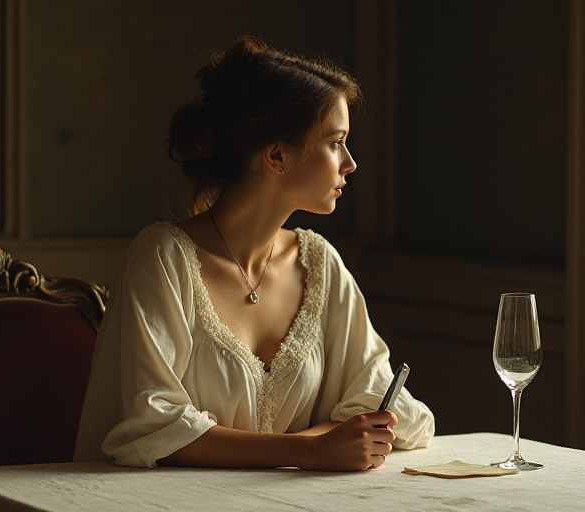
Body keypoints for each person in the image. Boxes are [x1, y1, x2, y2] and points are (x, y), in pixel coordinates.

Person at [74, 36, 434, 471]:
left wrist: (324, 445)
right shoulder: (164, 258)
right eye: (336, 142)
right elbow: (153, 425)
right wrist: (308, 451)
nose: (350, 163)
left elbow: (381, 402)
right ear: (277, 154)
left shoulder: (319, 263)